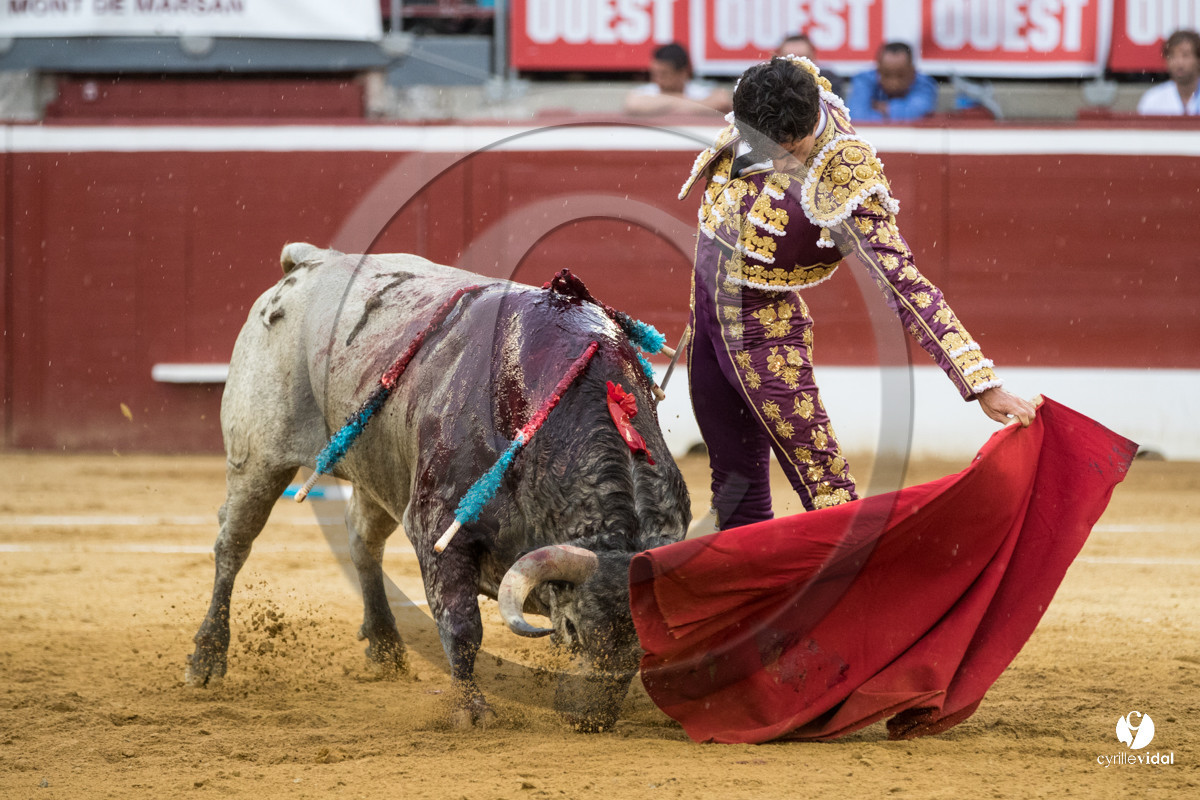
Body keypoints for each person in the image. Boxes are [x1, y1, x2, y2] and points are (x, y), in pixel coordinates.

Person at [679, 55, 1035, 529]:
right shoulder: (773, 91)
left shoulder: (846, 177)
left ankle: (861, 577)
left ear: (807, 128)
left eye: (786, 150)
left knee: (828, 493)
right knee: (733, 486)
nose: (773, 160)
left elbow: (905, 285)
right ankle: (745, 574)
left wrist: (982, 383)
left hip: (763, 333)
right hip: (705, 321)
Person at [624, 42, 732, 116]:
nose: (657, 80)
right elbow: (633, 104)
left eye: (664, 74)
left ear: (683, 73)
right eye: (655, 74)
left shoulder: (699, 90)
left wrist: (661, 106)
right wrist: (688, 104)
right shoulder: (646, 92)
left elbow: (722, 102)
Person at [847, 42, 938, 122]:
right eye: (886, 75)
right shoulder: (864, 80)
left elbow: (917, 115)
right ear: (878, 70)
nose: (893, 83)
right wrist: (899, 111)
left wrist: (886, 108)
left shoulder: (924, 84)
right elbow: (857, 117)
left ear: (912, 71)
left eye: (901, 75)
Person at [1137, 29, 1200, 115]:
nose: (1179, 63)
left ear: (1198, 59)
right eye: (1172, 56)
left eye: (1185, 55)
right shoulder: (1152, 100)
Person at [775, 32, 846, 97]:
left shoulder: (827, 79)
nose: (796, 65)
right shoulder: (772, 81)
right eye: (790, 60)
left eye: (802, 59)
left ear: (813, 57)